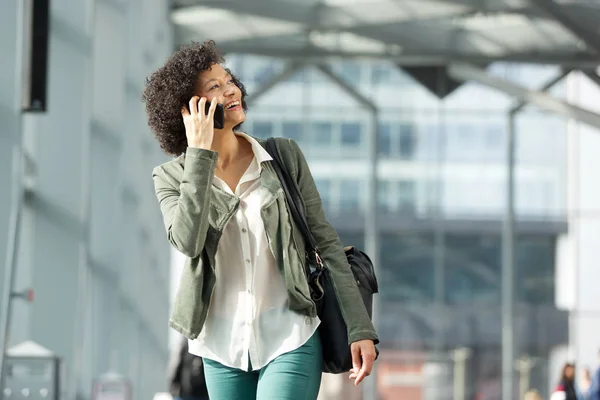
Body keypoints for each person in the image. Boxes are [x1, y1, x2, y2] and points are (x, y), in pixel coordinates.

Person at [143, 40, 378, 400]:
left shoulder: (283, 157)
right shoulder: (171, 177)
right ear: (190, 110)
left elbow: (327, 244)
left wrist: (359, 327)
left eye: (228, 80)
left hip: (291, 333)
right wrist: (201, 157)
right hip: (221, 346)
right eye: (215, 87)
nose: (231, 89)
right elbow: (188, 242)